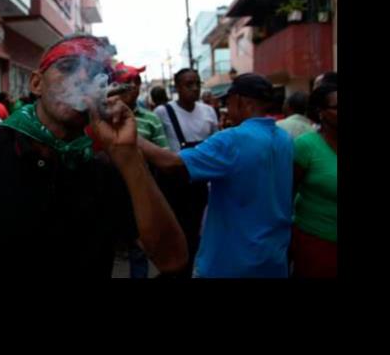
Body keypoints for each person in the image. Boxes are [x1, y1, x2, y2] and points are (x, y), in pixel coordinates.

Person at [0, 34, 187, 278]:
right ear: (36, 84)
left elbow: (171, 259)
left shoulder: (105, 170)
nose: (82, 78)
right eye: (68, 67)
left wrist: (128, 156)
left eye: (97, 74)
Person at [138, 73, 294, 278]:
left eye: (228, 102)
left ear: (241, 101)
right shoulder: (285, 138)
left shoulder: (233, 139)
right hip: (273, 258)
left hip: (231, 261)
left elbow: (173, 164)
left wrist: (134, 137)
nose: (226, 108)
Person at [151, 68, 218, 278]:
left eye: (197, 83)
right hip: (174, 182)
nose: (195, 88)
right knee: (177, 230)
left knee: (200, 230)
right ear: (177, 87)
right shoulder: (163, 112)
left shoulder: (209, 111)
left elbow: (216, 145)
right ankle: (178, 268)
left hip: (200, 182)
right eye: (189, 84)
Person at [112, 62, 171, 278]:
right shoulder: (98, 116)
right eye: (126, 83)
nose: (132, 88)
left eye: (135, 83)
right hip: (106, 193)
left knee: (139, 250)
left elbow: (163, 155)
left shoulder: (151, 118)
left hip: (138, 191)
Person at [291, 83, 337, 278]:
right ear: (321, 112)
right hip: (316, 243)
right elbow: (286, 194)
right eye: (336, 107)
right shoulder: (306, 146)